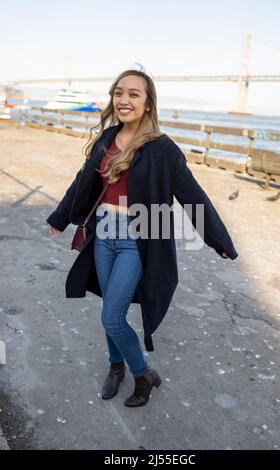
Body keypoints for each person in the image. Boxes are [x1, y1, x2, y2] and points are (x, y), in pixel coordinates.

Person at [45, 67, 238, 408]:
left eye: (134, 94)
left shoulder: (163, 149)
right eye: (119, 92)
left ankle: (143, 373)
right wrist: (61, 217)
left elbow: (193, 196)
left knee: (111, 317)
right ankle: (115, 367)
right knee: (110, 307)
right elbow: (82, 181)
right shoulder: (107, 139)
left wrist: (218, 239)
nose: (124, 100)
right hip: (102, 234)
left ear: (148, 104)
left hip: (138, 239)